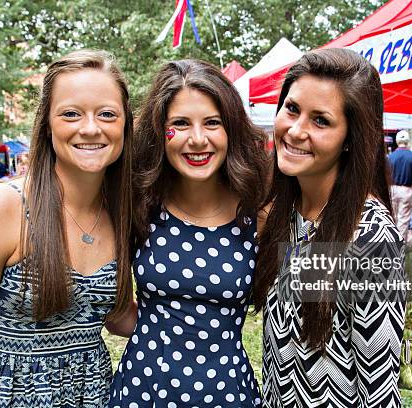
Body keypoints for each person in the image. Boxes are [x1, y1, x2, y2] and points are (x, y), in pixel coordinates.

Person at [0, 50, 137, 407]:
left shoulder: (122, 213)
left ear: (125, 124)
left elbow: (115, 315)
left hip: (94, 397)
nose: (90, 128)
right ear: (47, 123)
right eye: (71, 114)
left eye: (107, 114)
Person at [108, 59, 268, 407]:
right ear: (159, 131)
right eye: (179, 124)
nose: (197, 140)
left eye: (212, 123)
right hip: (143, 390)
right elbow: (115, 313)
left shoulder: (259, 211)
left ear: (231, 130)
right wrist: (162, 332)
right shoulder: (137, 204)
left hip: (227, 393)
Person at [254, 49, 406, 407]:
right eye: (292, 109)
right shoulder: (283, 214)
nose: (295, 130)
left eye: (320, 121)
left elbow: (380, 390)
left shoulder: (370, 235)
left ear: (350, 138)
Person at [388, 130, 412, 241]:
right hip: (406, 189)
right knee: (403, 218)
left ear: (397, 141)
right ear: (407, 141)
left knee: (391, 216)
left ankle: (389, 241)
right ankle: (399, 244)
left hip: (392, 188)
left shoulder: (390, 157)